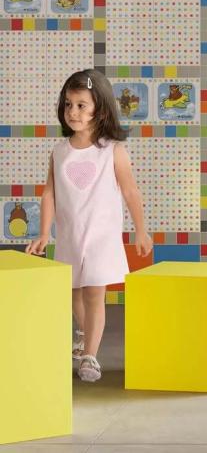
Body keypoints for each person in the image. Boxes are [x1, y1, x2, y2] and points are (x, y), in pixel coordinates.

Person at [27, 69, 152, 381]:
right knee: (74, 293)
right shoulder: (59, 151)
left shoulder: (112, 150)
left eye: (81, 105)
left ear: (101, 109)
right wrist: (43, 232)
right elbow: (49, 193)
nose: (73, 112)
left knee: (94, 293)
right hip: (70, 235)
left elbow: (130, 191)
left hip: (101, 237)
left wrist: (140, 229)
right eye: (68, 104)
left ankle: (90, 357)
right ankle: (84, 333)